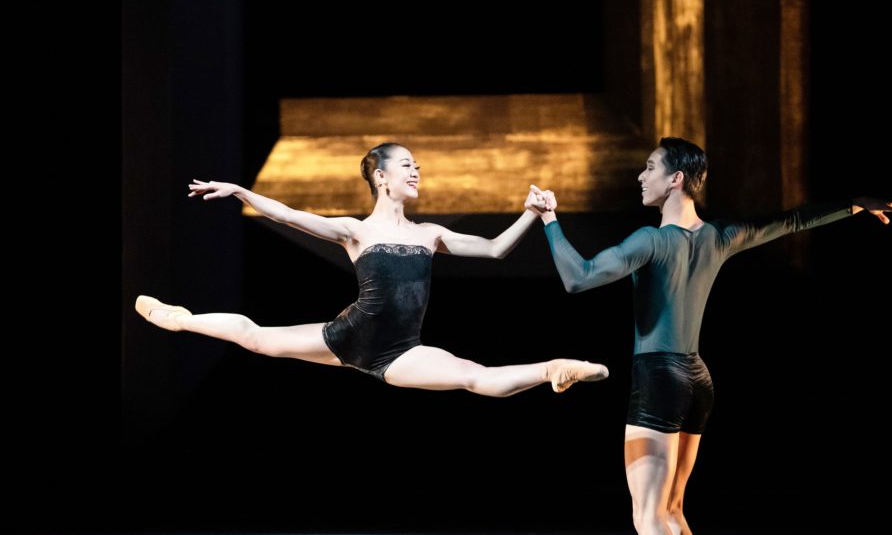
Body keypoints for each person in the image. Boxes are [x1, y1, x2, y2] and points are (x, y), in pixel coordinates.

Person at [530, 137, 892, 535]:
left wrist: (550, 220)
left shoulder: (652, 239)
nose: (640, 177)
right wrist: (857, 205)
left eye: (649, 169)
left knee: (648, 515)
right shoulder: (720, 236)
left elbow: (578, 278)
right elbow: (794, 221)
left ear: (676, 180)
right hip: (697, 379)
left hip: (659, 377)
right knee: (672, 510)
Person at [135, 142, 608, 396]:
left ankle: (552, 369)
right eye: (407, 165)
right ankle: (183, 319)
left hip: (399, 353)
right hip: (348, 335)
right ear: (381, 176)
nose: (416, 171)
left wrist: (532, 212)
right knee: (256, 336)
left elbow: (495, 249)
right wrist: (241, 191)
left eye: (417, 165)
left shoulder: (429, 234)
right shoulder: (355, 231)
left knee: (473, 376)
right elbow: (288, 215)